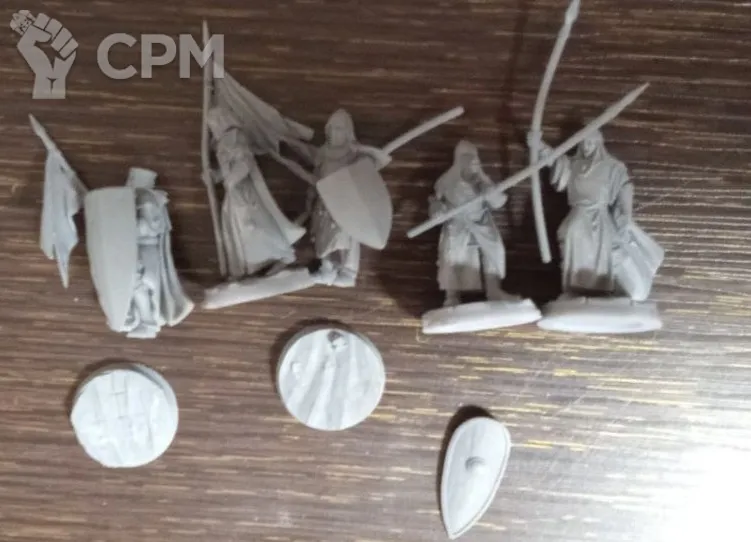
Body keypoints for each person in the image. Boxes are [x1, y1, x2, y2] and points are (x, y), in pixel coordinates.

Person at [530, 130, 663, 300]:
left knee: (606, 245)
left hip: (600, 216)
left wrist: (626, 213)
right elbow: (555, 160)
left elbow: (625, 186)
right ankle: (574, 288)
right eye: (583, 143)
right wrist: (539, 145)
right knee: (570, 233)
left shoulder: (612, 166)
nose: (586, 147)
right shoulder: (574, 164)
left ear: (598, 144)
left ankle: (602, 288)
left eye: (590, 143)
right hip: (578, 212)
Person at [208, 108, 306, 280]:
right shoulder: (221, 142)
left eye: (215, 121)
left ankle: (281, 253)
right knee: (237, 230)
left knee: (254, 226)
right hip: (234, 193)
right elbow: (226, 169)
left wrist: (231, 179)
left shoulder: (235, 137)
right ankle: (246, 267)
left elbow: (245, 162)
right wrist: (214, 176)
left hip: (243, 191)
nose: (213, 126)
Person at [310, 109, 390, 287]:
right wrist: (310, 198)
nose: (334, 133)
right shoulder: (322, 153)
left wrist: (362, 152)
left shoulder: (353, 154)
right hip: (325, 203)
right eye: (332, 128)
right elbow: (316, 175)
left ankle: (347, 272)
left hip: (346, 204)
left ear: (347, 131)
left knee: (345, 237)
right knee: (324, 238)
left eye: (339, 128)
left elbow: (375, 164)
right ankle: (327, 269)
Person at [431, 140, 509, 307]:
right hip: (457, 224)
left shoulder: (482, 181)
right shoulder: (446, 182)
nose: (472, 161)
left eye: (474, 157)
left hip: (481, 222)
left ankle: (494, 290)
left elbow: (498, 202)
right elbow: (435, 202)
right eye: (467, 157)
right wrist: (437, 211)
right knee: (451, 255)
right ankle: (452, 295)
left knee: (495, 248)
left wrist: (490, 193)